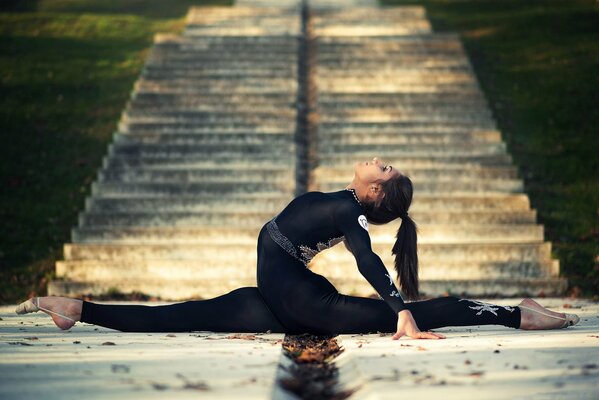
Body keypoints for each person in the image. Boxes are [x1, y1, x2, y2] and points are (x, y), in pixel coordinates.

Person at [16, 157, 579, 339]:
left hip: (303, 304)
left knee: (422, 312)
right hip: (281, 298)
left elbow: (364, 258)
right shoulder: (348, 203)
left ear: (373, 190)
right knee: (178, 317)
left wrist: (402, 311)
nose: (377, 159)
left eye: (383, 167)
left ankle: (515, 313)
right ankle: (78, 310)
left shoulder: (350, 212)